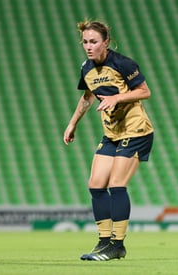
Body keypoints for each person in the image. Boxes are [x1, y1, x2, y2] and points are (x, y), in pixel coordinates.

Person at [63, 20, 154, 261]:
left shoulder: (122, 63)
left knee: (116, 184)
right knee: (95, 185)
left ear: (105, 42)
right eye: (85, 42)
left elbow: (145, 91)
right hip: (112, 134)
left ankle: (118, 244)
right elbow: (87, 97)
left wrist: (117, 98)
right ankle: (104, 241)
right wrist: (73, 123)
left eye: (93, 42)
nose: (88, 46)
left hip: (136, 131)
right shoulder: (86, 68)